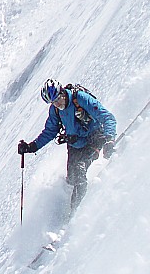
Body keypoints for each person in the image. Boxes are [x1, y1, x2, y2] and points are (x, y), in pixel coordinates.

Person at [18, 79, 117, 212]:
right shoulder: (55, 110)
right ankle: (70, 207)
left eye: (58, 99)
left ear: (63, 92)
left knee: (79, 172)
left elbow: (108, 117)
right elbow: (50, 131)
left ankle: (76, 213)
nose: (58, 104)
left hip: (93, 139)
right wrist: (32, 147)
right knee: (71, 179)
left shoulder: (80, 99)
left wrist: (110, 139)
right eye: (53, 102)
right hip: (75, 145)